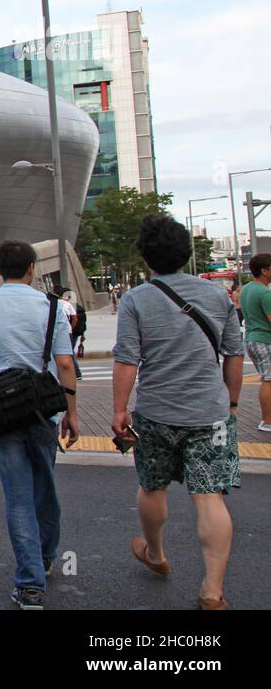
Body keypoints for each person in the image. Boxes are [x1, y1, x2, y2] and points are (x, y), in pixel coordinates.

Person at [112, 215, 244, 610]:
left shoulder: (136, 299)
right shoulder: (218, 297)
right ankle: (212, 589)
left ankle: (155, 553)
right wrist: (232, 403)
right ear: (187, 252)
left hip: (155, 412)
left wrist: (119, 409)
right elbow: (233, 355)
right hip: (210, 413)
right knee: (209, 498)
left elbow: (126, 360)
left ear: (146, 257)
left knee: (153, 486)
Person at [0, 240, 79, 610]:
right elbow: (65, 363)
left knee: (17, 495)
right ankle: (46, 557)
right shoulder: (52, 306)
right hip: (43, 410)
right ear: (32, 268)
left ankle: (30, 586)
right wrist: (72, 413)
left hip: (2, 409)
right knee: (45, 483)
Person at [238, 253, 271, 433]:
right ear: (264, 270)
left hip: (252, 339)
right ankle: (267, 421)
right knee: (269, 380)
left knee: (267, 379)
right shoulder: (265, 293)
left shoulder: (248, 289)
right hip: (265, 340)